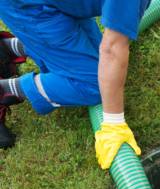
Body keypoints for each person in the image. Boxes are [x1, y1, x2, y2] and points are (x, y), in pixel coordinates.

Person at [0, 0, 150, 169]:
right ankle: (6, 90)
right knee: (93, 85)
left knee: (101, 66)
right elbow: (112, 49)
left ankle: (7, 48)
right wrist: (114, 124)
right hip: (28, 6)